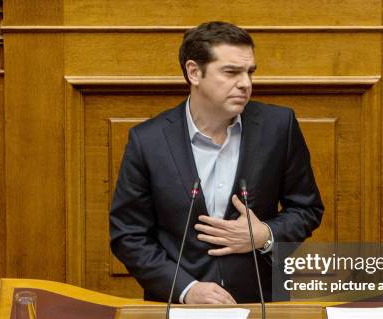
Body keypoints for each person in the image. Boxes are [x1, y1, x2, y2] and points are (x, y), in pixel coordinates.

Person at [110, 21, 323, 304]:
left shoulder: (278, 127)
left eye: (249, 72)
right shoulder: (147, 141)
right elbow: (128, 235)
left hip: (261, 306)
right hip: (178, 313)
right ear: (194, 72)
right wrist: (186, 290)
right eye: (231, 72)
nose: (246, 83)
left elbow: (307, 208)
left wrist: (266, 235)